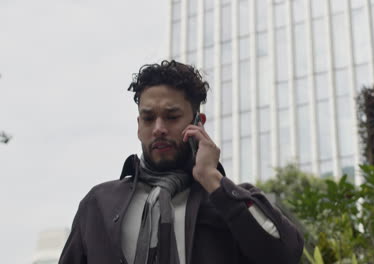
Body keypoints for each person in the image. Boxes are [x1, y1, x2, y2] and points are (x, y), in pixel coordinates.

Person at [59, 60, 304, 264]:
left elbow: (285, 255)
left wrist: (212, 178)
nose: (159, 129)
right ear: (138, 126)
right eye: (148, 118)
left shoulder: (229, 201)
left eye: (172, 116)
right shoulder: (99, 203)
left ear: (198, 122)